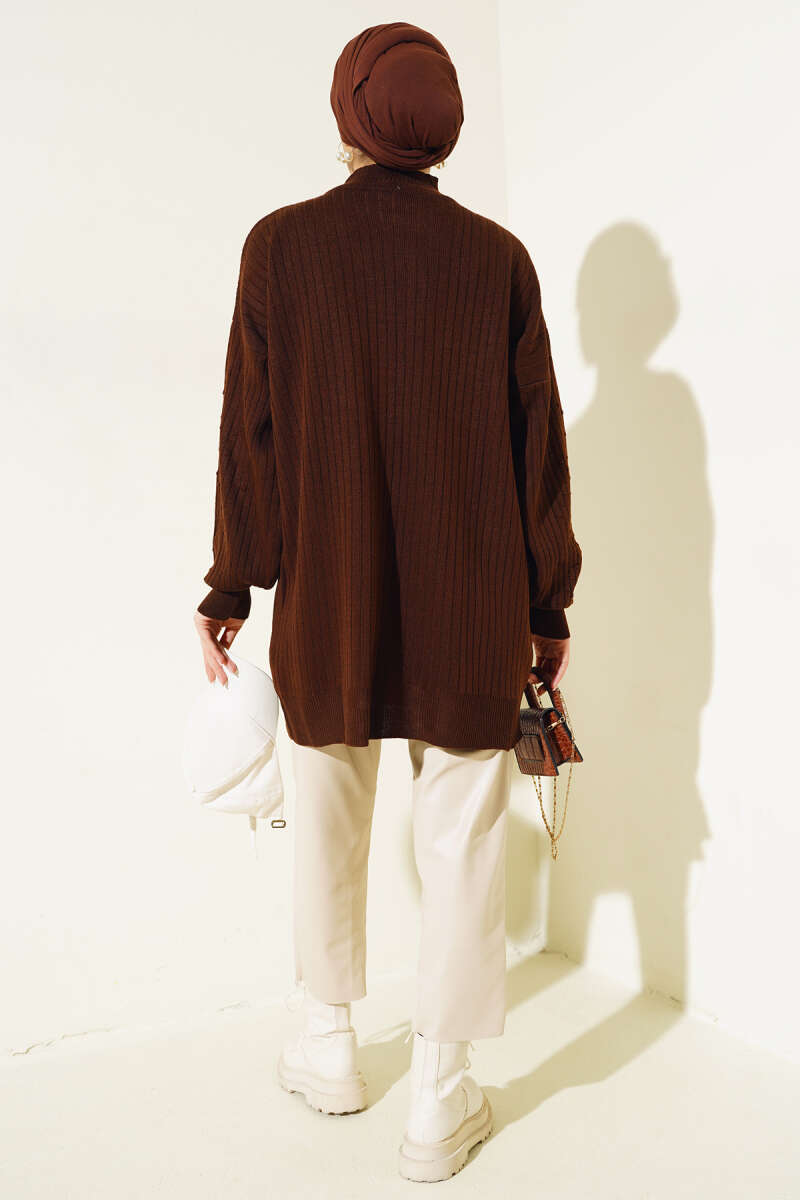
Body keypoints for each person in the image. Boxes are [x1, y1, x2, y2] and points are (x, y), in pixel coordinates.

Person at [192, 21, 582, 1184]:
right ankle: (440, 1097)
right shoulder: (496, 260)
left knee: (326, 816)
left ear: (346, 112)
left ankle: (326, 1045)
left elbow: (250, 435)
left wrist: (231, 580)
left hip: (331, 596)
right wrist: (546, 608)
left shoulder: (281, 248)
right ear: (442, 126)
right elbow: (537, 451)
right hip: (473, 604)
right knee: (461, 839)